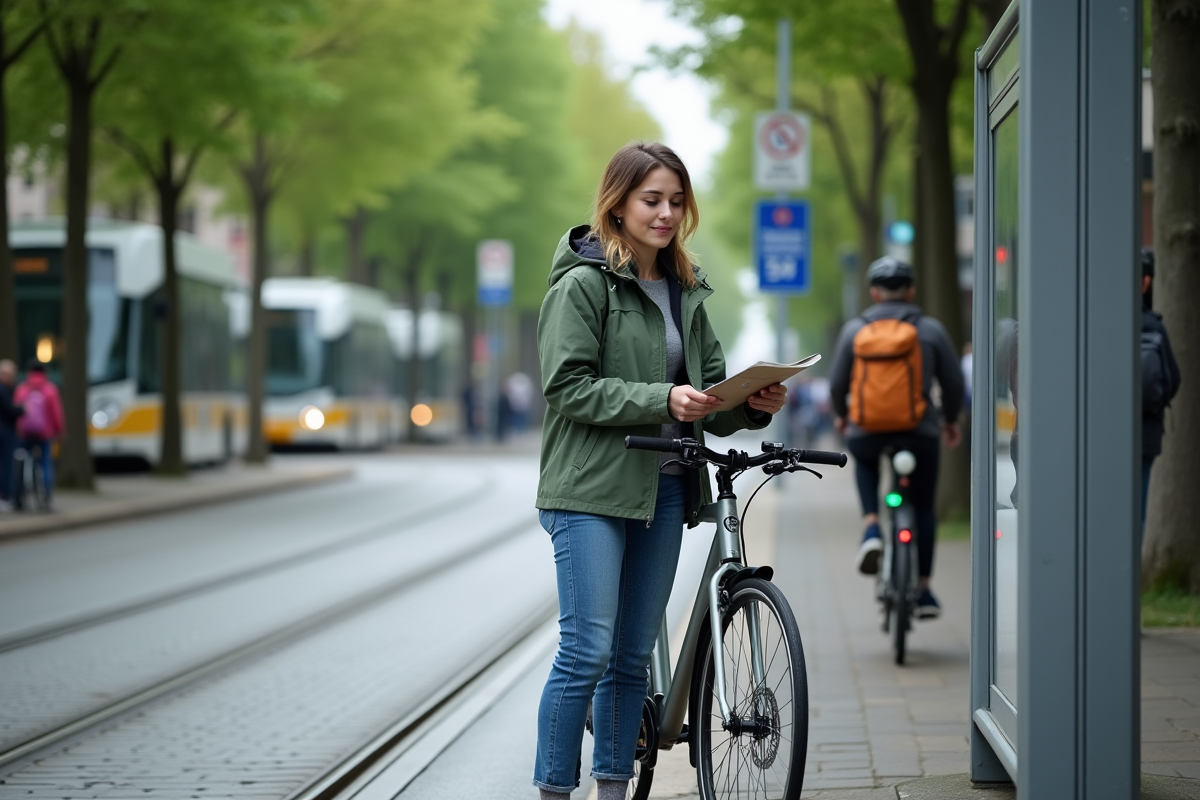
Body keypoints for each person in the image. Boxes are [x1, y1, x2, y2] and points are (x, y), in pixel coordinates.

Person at [533, 142, 785, 800]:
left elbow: (705, 401)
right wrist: (658, 398)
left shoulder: (688, 290)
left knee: (628, 658)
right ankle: (554, 791)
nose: (667, 212)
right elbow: (567, 387)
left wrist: (750, 406)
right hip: (589, 491)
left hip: (666, 487)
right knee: (586, 651)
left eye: (677, 200)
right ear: (616, 203)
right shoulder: (583, 285)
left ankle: (612, 792)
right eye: (652, 200)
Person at [829, 257, 964, 620]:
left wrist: (844, 419)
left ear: (874, 292)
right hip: (919, 432)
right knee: (922, 507)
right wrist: (950, 421)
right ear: (912, 291)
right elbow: (953, 384)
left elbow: (837, 385)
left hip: (867, 432)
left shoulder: (854, 330)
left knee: (866, 462)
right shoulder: (931, 330)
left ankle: (871, 525)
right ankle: (923, 589)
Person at [1139, 248, 1181, 537]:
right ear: (1145, 282)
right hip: (1147, 435)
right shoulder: (1154, 327)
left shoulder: (1107, 325)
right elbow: (1174, 379)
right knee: (1137, 510)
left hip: (1108, 433)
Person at [14, 360, 65, 506]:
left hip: (25, 433)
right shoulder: (50, 389)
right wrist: (59, 431)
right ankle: (47, 494)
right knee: (45, 463)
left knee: (21, 460)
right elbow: (56, 413)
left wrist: (19, 430)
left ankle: (19, 492)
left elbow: (17, 411)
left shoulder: (23, 388)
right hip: (45, 433)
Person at [0, 359, 22, 512]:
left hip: (7, 431)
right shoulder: (3, 390)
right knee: (6, 465)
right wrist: (23, 409)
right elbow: (10, 410)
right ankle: (5, 496)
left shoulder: (11, 389)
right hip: (5, 432)